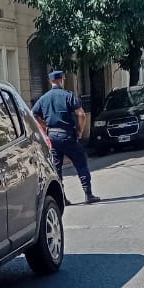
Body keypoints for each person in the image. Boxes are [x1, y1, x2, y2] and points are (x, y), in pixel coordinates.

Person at [31, 70, 100, 204]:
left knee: (57, 169)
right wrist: (80, 131)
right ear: (62, 79)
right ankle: (88, 194)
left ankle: (62, 198)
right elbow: (81, 114)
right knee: (81, 164)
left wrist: (44, 127)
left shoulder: (44, 98)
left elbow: (33, 114)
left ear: (50, 82)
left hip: (52, 136)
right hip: (68, 134)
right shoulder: (68, 95)